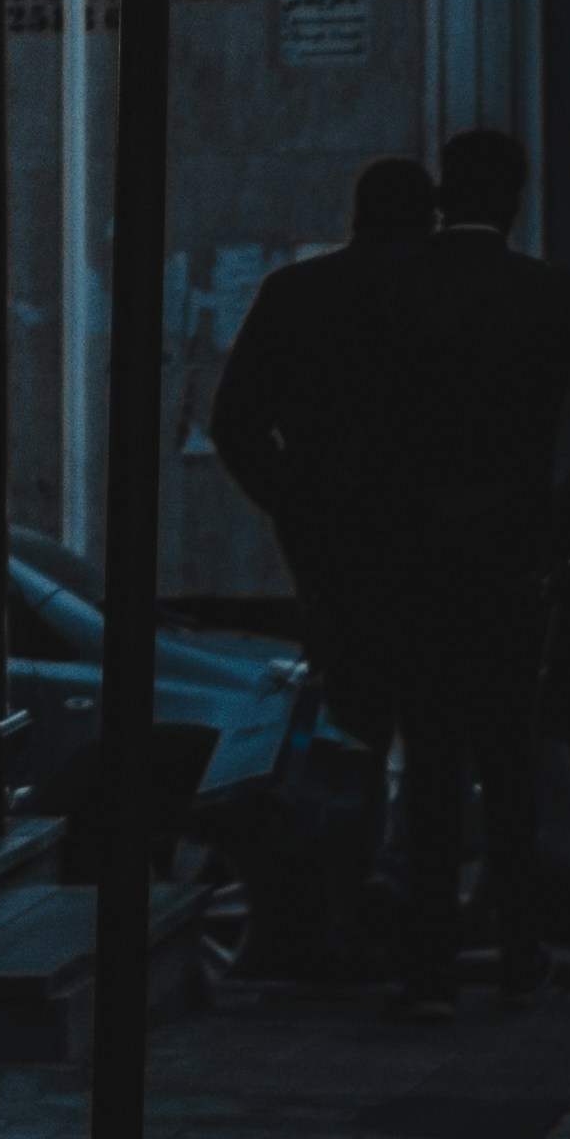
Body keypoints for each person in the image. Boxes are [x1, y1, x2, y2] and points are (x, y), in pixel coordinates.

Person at [369, 127, 570, 1014]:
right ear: (516, 198)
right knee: (508, 759)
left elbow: (353, 428)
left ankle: (428, 964)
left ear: (446, 193)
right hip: (513, 559)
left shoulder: (398, 291)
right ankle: (517, 946)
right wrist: (565, 531)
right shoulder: (551, 296)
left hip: (417, 560)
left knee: (434, 758)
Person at [209, 155, 438, 752]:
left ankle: (350, 836)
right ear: (430, 218)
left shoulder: (296, 292)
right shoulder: (447, 293)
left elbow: (236, 423)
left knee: (351, 719)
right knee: (439, 722)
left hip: (333, 539)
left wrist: (298, 501)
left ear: (358, 215)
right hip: (439, 532)